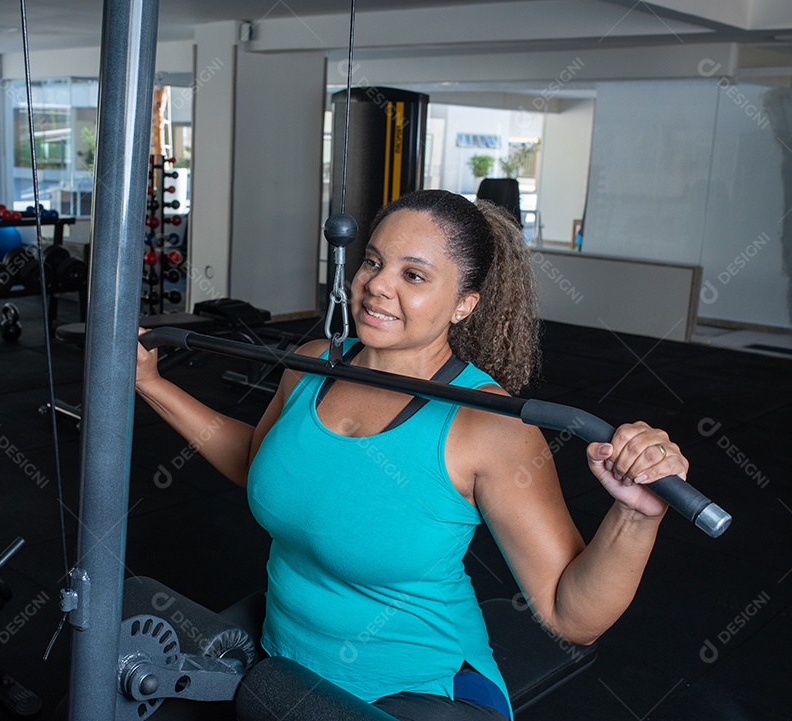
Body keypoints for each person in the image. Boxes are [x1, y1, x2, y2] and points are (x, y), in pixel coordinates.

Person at [135, 189, 688, 721]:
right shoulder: (311, 364)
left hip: (425, 691)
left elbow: (571, 615)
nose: (377, 285)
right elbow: (258, 462)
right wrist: (151, 383)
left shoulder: (488, 425)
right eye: (373, 262)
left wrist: (636, 516)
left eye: (414, 275)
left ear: (464, 304)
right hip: (285, 669)